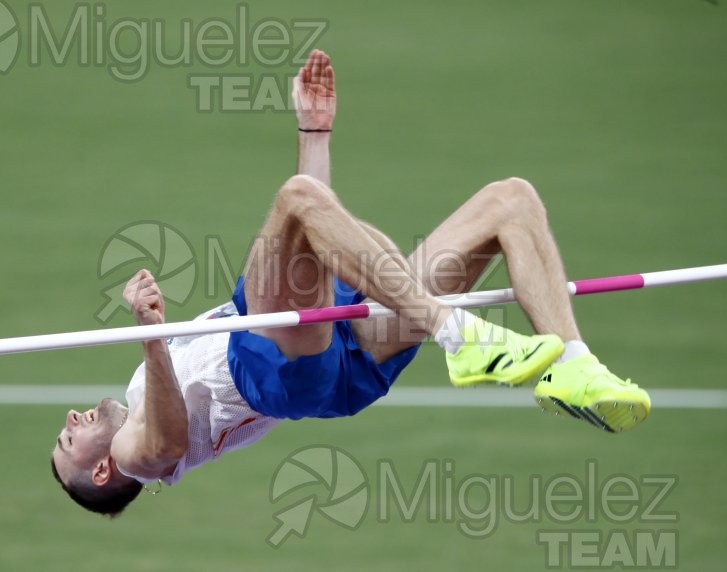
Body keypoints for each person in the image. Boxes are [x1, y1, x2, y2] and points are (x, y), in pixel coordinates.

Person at [51, 50, 650, 517]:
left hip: (336, 356)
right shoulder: (135, 455)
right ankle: (458, 334)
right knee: (296, 201)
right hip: (267, 365)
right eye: (66, 440)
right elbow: (167, 443)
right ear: (100, 472)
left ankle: (572, 365)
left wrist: (314, 134)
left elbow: (316, 220)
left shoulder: (135, 405)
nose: (71, 420)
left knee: (510, 203)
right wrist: (152, 335)